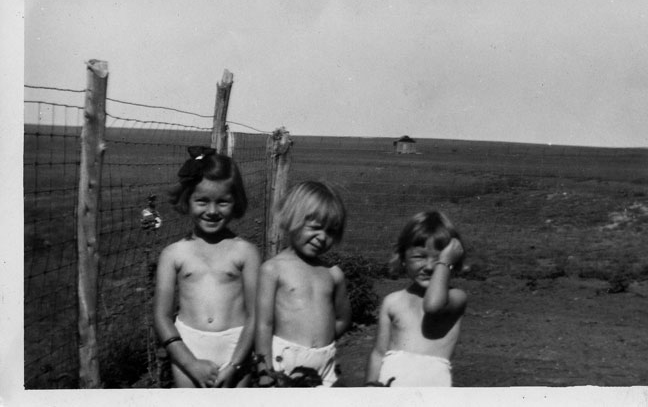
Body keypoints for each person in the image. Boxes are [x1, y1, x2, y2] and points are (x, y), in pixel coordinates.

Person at [153, 146, 261, 388]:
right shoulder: (173, 254)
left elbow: (256, 314)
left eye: (222, 202)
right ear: (187, 200)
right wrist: (189, 362)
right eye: (202, 201)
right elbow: (161, 316)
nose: (212, 211)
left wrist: (235, 364)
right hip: (188, 346)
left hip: (237, 349)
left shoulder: (246, 252)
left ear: (236, 202)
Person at [255, 181, 352, 387]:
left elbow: (343, 318)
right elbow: (264, 325)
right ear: (292, 220)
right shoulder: (273, 269)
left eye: (331, 231)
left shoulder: (333, 274)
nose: (322, 237)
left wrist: (320, 340)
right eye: (315, 228)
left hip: (325, 361)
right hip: (286, 360)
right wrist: (264, 370)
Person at [365, 210, 467, 387]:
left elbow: (432, 305)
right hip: (391, 387)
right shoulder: (393, 301)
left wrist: (445, 263)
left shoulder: (456, 297)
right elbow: (379, 353)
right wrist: (370, 386)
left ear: (451, 261)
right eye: (419, 256)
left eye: (438, 259)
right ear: (403, 258)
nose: (429, 267)